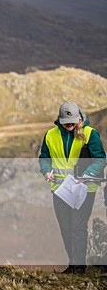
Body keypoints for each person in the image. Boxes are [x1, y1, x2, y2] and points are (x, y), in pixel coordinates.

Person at [38, 101, 106, 274]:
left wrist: (86, 174)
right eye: (66, 122)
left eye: (73, 122)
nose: (69, 125)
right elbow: (44, 157)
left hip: (85, 189)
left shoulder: (90, 134)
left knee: (78, 226)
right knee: (66, 227)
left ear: (80, 118)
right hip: (60, 190)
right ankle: (73, 263)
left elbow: (100, 159)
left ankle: (79, 267)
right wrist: (46, 171)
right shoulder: (50, 135)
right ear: (59, 120)